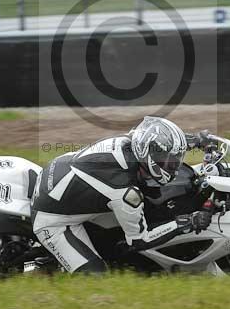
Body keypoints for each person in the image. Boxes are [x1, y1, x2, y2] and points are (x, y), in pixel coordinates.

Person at [31, 116, 213, 273]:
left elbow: (158, 143)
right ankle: (41, 270)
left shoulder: (134, 140)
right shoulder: (125, 191)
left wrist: (196, 140)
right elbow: (139, 240)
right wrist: (186, 222)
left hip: (57, 177)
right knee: (96, 276)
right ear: (150, 157)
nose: (174, 165)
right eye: (169, 161)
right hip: (52, 220)